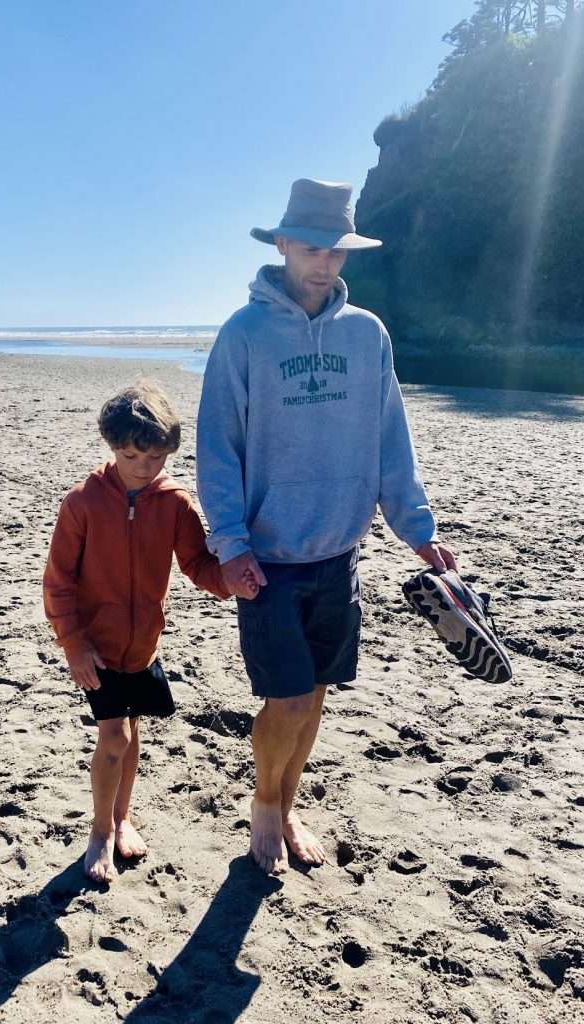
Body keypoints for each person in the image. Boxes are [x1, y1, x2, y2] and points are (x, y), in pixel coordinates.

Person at [196, 178, 456, 875]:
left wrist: (416, 526)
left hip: (338, 551)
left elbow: (388, 435)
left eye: (335, 252)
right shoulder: (243, 334)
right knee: (282, 697)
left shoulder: (366, 334)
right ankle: (263, 804)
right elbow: (217, 446)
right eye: (311, 248)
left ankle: (288, 805)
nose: (323, 263)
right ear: (282, 244)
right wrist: (230, 544)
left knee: (312, 696)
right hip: (268, 557)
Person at [43, 381, 249, 883]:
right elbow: (58, 580)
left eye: (156, 457)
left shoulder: (174, 503)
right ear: (113, 447)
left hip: (144, 646)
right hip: (97, 647)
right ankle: (99, 833)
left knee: (132, 734)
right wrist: (73, 643)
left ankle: (123, 816)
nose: (144, 467)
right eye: (133, 455)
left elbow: (197, 563)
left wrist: (230, 580)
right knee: (113, 737)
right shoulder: (83, 502)